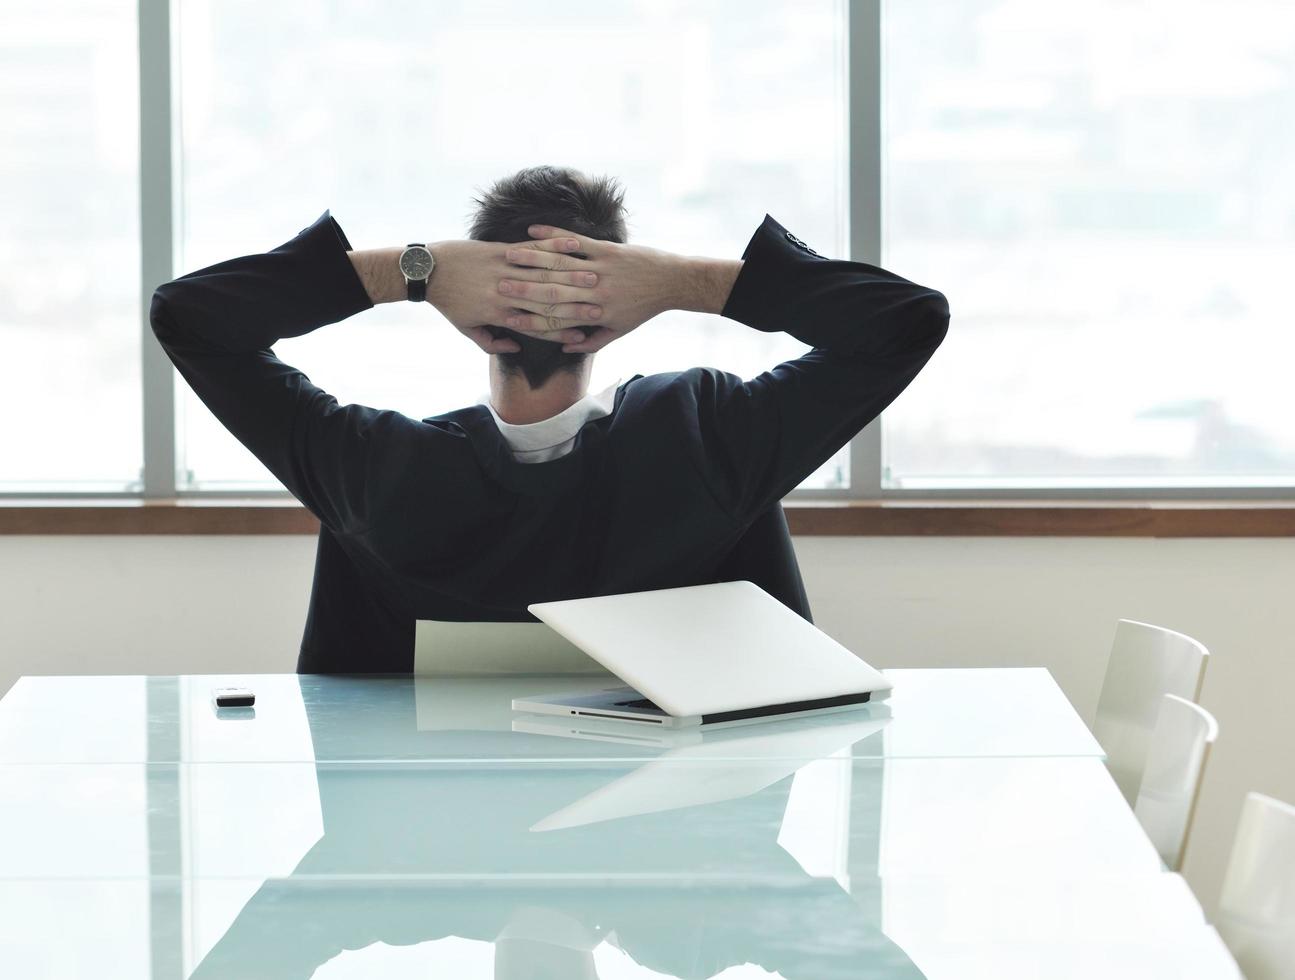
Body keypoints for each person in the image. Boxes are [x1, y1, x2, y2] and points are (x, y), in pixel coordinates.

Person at [150, 166, 949, 673]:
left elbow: (190, 318)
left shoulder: (377, 469)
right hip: (683, 849)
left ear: (474, 321)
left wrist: (408, 272)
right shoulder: (703, 441)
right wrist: (681, 283)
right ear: (609, 314)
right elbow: (904, 322)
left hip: (420, 832)